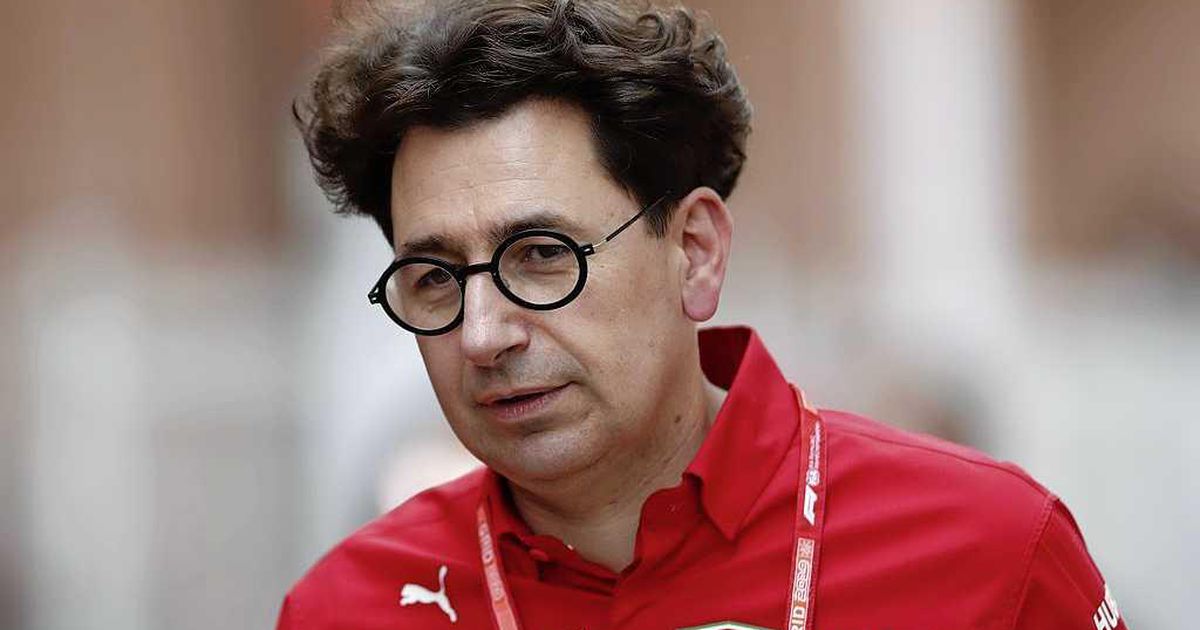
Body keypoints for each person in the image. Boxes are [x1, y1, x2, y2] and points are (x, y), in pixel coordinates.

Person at [278, 1, 1128, 628]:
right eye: (434, 277)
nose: (482, 334)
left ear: (695, 253)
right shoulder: (347, 608)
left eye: (541, 255)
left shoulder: (990, 551)